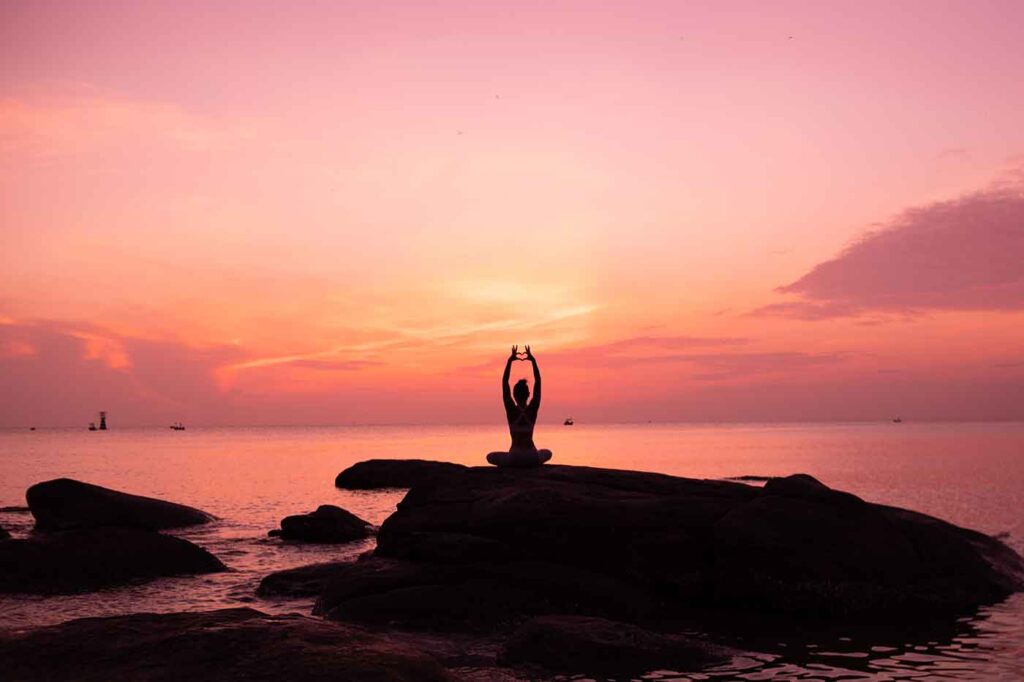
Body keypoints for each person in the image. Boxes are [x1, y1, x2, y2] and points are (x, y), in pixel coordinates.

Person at [486, 345, 553, 467]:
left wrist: (510, 361)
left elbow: (504, 382)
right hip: (531, 457)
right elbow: (538, 382)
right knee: (547, 452)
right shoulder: (532, 409)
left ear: (513, 394)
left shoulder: (511, 409)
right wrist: (533, 361)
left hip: (514, 457)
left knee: (490, 456)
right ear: (528, 394)